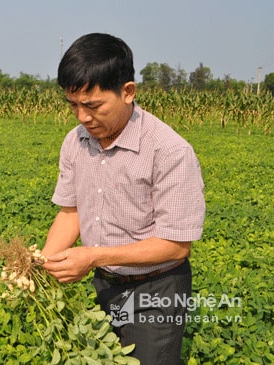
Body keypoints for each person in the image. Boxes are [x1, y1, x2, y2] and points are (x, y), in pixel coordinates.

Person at [41, 33, 206, 364]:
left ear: (128, 92)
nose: (82, 117)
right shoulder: (75, 143)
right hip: (106, 283)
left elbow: (176, 245)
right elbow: (70, 212)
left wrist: (91, 257)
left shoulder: (168, 150)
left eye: (93, 105)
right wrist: (41, 266)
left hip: (157, 289)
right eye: (73, 105)